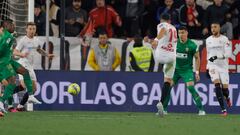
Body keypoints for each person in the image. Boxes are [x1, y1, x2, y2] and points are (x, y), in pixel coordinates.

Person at [160, 26, 206, 116]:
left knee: (190, 87)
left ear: (187, 33)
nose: (181, 35)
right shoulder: (174, 43)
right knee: (168, 87)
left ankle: (201, 110)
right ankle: (164, 110)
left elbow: (197, 58)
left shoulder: (192, 45)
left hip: (187, 70)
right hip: (175, 70)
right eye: (179, 33)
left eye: (183, 33)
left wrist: (197, 72)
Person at [0, 20, 42, 113]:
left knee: (24, 73)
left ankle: (30, 96)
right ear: (7, 26)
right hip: (4, 62)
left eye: (34, 29)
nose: (14, 26)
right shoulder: (9, 37)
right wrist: (21, 54)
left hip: (9, 60)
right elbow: (3, 49)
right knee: (11, 83)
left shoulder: (9, 36)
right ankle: (3, 103)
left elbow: (9, 50)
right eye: (12, 25)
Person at [13, 22, 54, 111]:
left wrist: (47, 55)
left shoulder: (36, 40)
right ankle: (4, 96)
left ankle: (20, 106)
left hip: (30, 66)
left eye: (33, 29)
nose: (32, 31)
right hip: (22, 64)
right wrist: (22, 54)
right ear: (26, 30)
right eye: (30, 29)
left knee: (34, 88)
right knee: (25, 85)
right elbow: (15, 52)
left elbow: (39, 49)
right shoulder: (23, 40)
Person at [151, 13, 177, 117]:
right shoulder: (174, 28)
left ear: (162, 20)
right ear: (170, 20)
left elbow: (163, 31)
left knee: (152, 46)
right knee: (168, 81)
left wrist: (155, 40)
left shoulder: (162, 25)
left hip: (161, 56)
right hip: (171, 58)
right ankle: (161, 103)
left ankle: (161, 104)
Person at [206, 22, 232, 116]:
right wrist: (207, 67)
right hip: (212, 65)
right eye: (212, 27)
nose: (213, 29)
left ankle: (227, 97)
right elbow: (208, 54)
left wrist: (217, 56)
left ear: (219, 28)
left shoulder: (225, 39)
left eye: (215, 27)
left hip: (223, 66)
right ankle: (223, 110)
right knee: (217, 85)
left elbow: (228, 54)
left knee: (225, 89)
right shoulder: (208, 40)